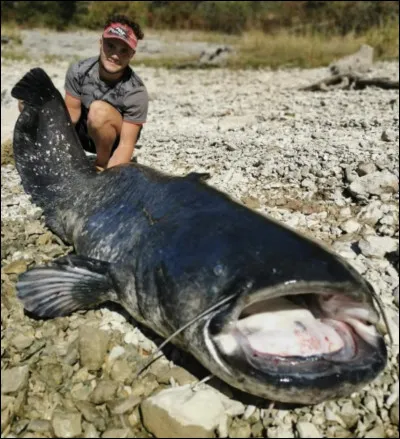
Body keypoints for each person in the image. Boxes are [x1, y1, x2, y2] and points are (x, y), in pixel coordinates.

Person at [64, 14, 149, 170]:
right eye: (110, 46)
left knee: (99, 111)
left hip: (114, 143)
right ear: (101, 42)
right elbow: (71, 116)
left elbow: (125, 144)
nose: (116, 55)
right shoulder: (78, 71)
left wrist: (110, 179)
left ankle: (101, 165)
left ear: (132, 54)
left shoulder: (137, 91)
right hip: (83, 134)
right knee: (33, 102)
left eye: (124, 51)